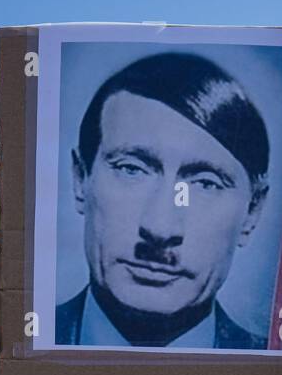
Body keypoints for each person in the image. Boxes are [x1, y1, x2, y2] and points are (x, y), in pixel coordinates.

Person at [57, 52, 271, 348]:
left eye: (206, 183)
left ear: (252, 212)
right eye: (131, 169)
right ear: (81, 179)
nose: (160, 228)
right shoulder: (20, 344)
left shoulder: (277, 374)